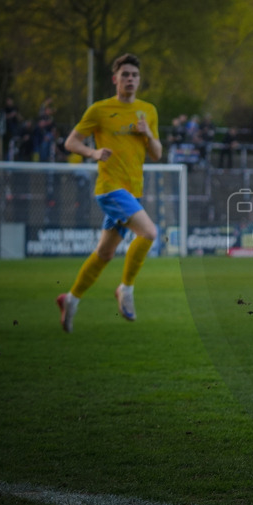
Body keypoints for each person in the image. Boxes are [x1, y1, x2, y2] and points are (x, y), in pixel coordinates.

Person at [56, 53, 162, 333]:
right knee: (149, 233)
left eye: (134, 75)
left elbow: (157, 153)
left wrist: (147, 134)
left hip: (133, 191)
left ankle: (71, 299)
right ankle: (125, 289)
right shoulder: (100, 110)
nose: (130, 79)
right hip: (110, 189)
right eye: (125, 75)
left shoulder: (147, 111)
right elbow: (71, 142)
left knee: (104, 254)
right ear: (115, 79)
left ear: (139, 80)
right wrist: (92, 152)